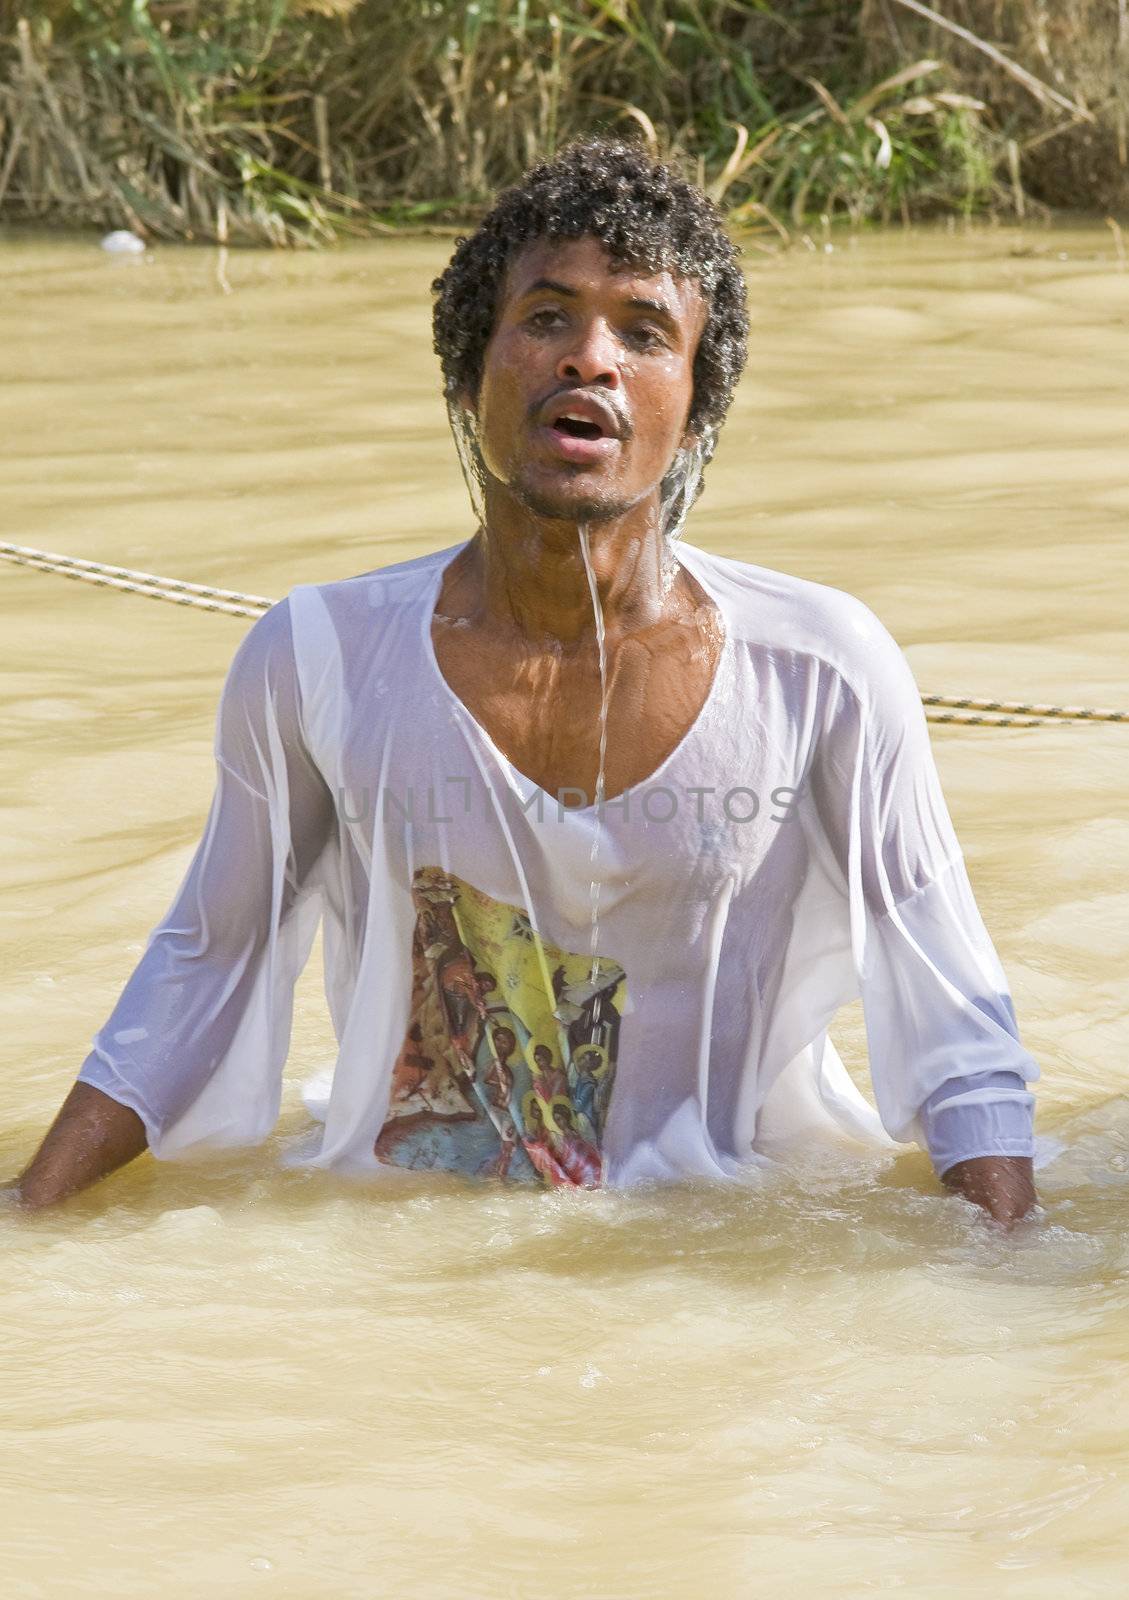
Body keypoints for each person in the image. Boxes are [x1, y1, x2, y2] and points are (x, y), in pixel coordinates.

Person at [15, 138, 1039, 1224]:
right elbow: (204, 964)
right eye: (546, 317)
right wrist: (32, 1209)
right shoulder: (316, 654)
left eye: (643, 333)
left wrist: (1008, 1266)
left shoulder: (821, 669)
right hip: (405, 1238)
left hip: (720, 1235)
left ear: (694, 414)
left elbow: (953, 1023)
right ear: (468, 375)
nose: (589, 359)